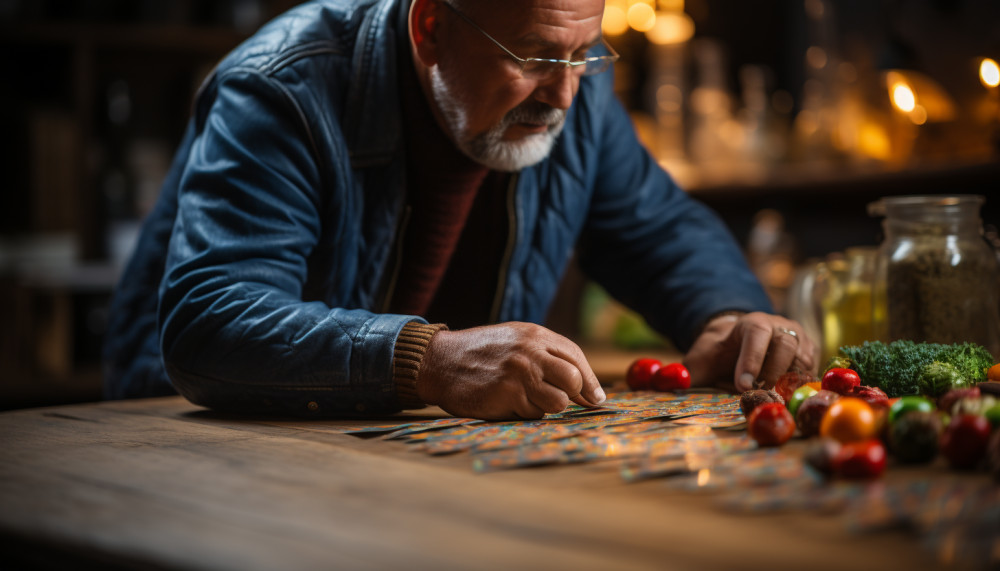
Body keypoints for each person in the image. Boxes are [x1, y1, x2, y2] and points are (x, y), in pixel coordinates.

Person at [103, 0, 816, 420]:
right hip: (187, 435)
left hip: (404, 444)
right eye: (533, 57)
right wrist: (427, 359)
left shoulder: (576, 91)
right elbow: (213, 320)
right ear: (430, 28)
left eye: (583, 55)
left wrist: (726, 314)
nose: (565, 94)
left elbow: (657, 227)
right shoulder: (282, 88)